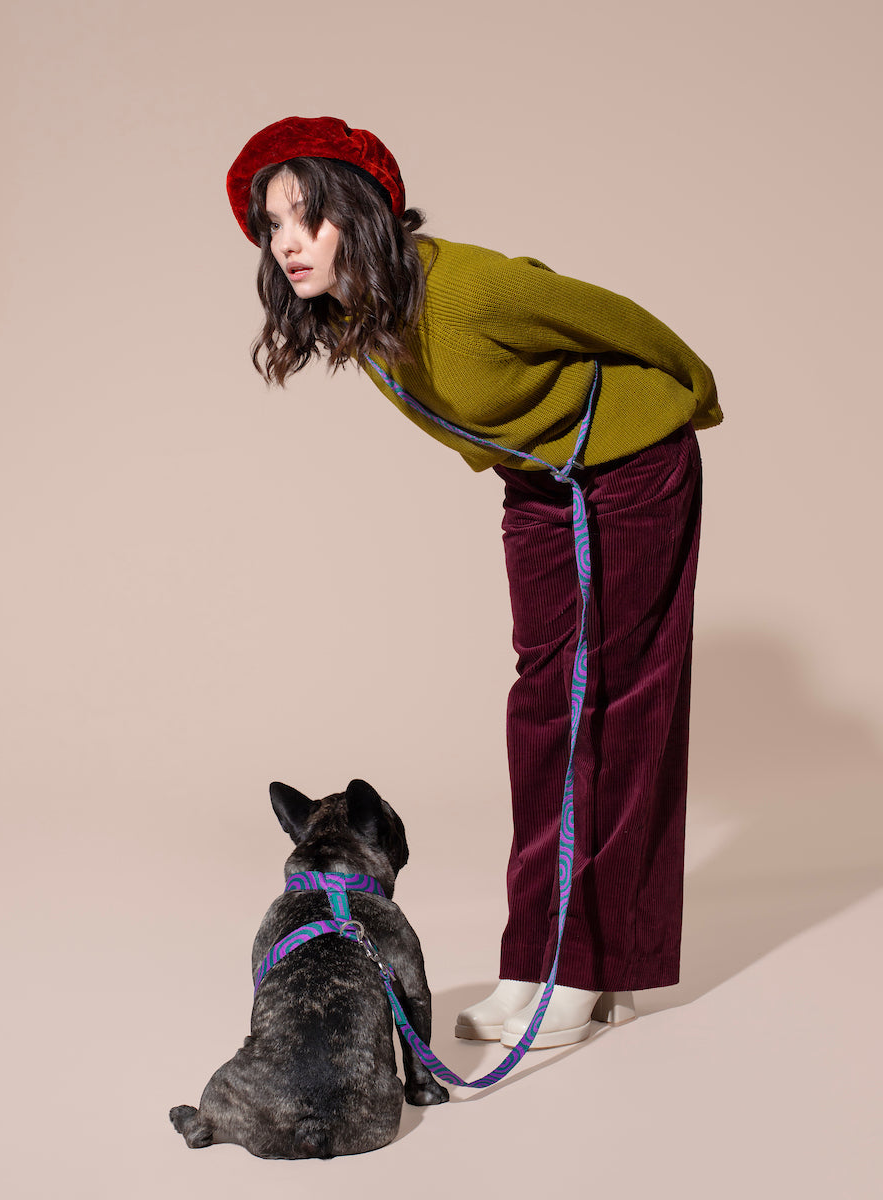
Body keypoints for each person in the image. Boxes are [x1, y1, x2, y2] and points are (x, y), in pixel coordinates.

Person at [226, 116, 722, 1051]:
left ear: (360, 212)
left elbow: (622, 322)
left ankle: (589, 964)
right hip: (540, 485)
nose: (289, 242)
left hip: (631, 467)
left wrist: (691, 394)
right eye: (273, 226)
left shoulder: (466, 288)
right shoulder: (363, 320)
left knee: (613, 706)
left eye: (308, 217)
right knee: (543, 708)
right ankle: (539, 955)